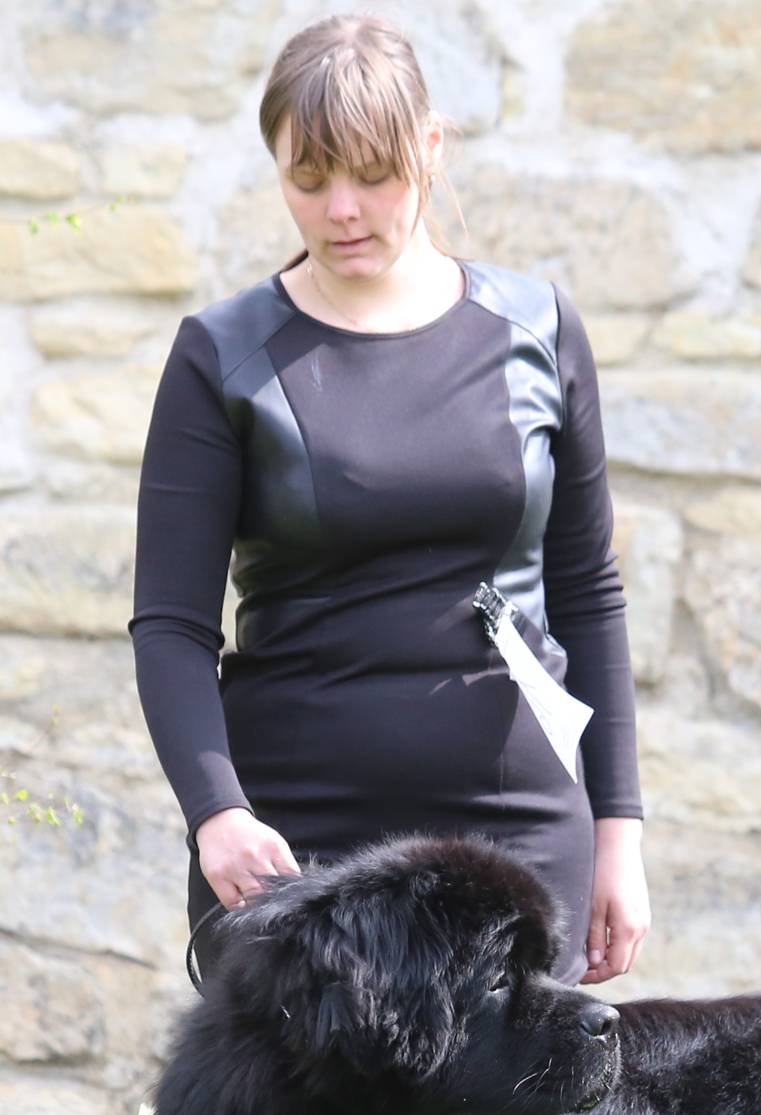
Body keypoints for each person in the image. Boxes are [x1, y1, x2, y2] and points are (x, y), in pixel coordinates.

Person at [129, 12, 650, 990]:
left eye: (374, 175)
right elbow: (170, 625)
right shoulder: (222, 357)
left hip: (519, 835)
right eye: (308, 178)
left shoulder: (536, 330)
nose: (341, 210)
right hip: (297, 845)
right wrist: (217, 814)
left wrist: (618, 830)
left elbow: (587, 589)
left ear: (431, 147)